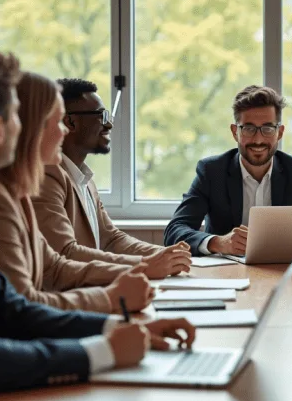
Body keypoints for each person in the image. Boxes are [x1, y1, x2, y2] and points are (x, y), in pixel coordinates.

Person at [0, 45, 195, 401]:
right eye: (16, 115)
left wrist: (114, 328)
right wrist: (102, 352)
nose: (24, 126)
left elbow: (9, 308)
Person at [0, 72, 156, 314]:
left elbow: (55, 266)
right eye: (58, 121)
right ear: (33, 127)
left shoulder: (16, 194)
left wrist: (144, 266)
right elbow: (21, 307)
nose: (63, 132)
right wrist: (113, 297)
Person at [163, 85, 292, 256]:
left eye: (267, 129)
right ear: (234, 132)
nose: (258, 140)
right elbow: (175, 230)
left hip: (287, 276)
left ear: (279, 133)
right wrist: (218, 243)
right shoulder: (212, 171)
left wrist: (285, 243)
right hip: (226, 277)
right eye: (248, 128)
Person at [32, 78, 191, 274]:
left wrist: (164, 254)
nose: (109, 125)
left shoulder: (84, 178)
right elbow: (65, 252)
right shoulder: (48, 176)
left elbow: (111, 238)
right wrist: (144, 265)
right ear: (70, 122)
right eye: (101, 115)